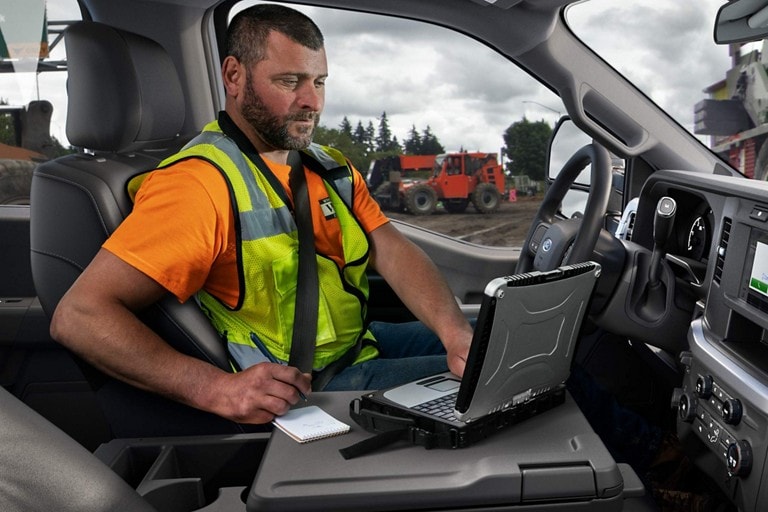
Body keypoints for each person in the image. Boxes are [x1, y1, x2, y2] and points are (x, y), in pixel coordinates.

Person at [50, 4, 473, 428]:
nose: (311, 102)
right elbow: (80, 316)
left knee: (498, 350)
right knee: (495, 384)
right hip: (311, 391)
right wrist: (212, 388)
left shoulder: (329, 167)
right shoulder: (198, 183)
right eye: (289, 81)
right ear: (234, 76)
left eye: (319, 82)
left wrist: (454, 332)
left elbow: (393, 251)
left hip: (358, 345)